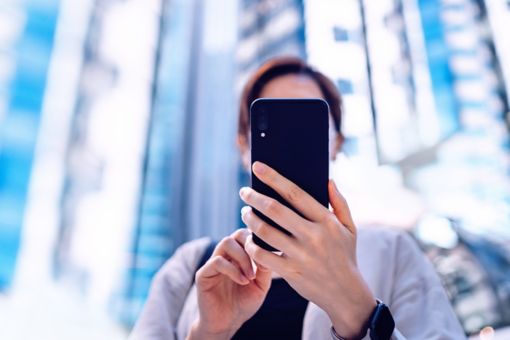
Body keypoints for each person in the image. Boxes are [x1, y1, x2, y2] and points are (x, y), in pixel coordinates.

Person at [129, 57, 465, 340]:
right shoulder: (192, 265)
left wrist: (357, 311)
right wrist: (207, 334)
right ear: (243, 148)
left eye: (309, 128)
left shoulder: (392, 252)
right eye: (270, 130)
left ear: (336, 146)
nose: (289, 145)